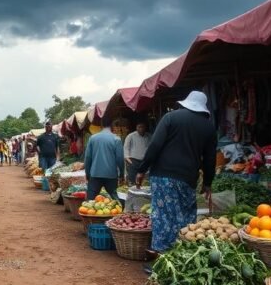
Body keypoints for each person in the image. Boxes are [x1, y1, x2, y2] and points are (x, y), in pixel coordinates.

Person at [135, 91, 217, 255]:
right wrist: (208, 183)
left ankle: (160, 257)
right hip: (187, 178)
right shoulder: (208, 127)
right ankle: (182, 255)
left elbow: (155, 145)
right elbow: (210, 159)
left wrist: (142, 169)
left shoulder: (171, 117)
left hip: (163, 176)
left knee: (163, 215)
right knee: (185, 216)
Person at [84, 116, 125, 201]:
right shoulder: (116, 139)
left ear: (101, 125)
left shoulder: (93, 138)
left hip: (95, 174)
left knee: (90, 201)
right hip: (111, 175)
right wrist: (121, 174)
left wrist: (88, 174)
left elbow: (88, 158)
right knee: (116, 200)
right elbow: (120, 159)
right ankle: (118, 214)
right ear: (112, 125)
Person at [123, 121, 150, 186]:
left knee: (144, 180)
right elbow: (126, 147)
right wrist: (127, 157)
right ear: (136, 128)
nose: (141, 129)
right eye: (139, 127)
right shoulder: (131, 136)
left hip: (145, 161)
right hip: (133, 161)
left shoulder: (149, 136)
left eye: (142, 127)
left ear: (145, 127)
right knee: (132, 180)